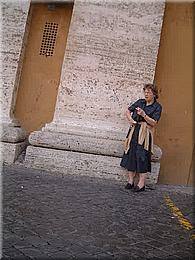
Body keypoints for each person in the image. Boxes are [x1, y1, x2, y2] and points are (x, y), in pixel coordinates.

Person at [120, 83, 162, 192]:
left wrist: (144, 115)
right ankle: (130, 181)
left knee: (142, 156)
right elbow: (128, 110)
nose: (146, 94)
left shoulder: (157, 107)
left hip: (145, 133)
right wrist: (131, 120)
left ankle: (141, 184)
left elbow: (154, 122)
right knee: (130, 153)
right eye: (145, 92)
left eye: (149, 92)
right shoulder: (140, 102)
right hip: (134, 130)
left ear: (154, 94)